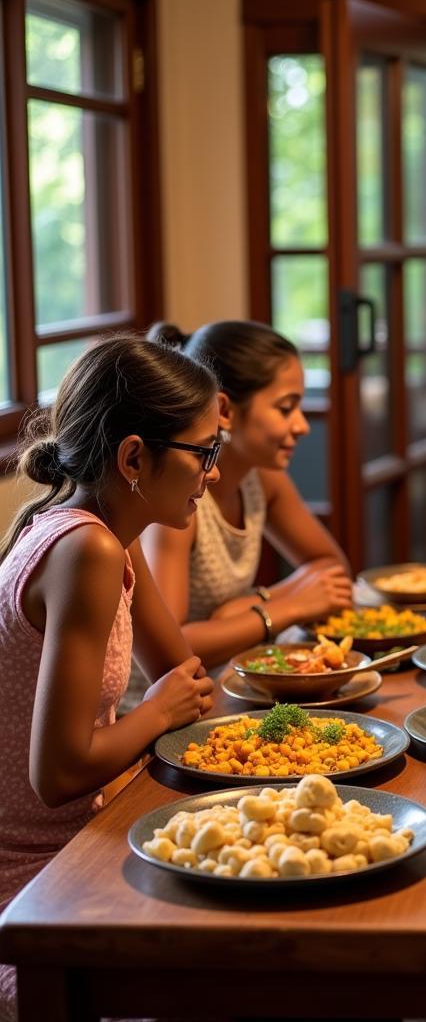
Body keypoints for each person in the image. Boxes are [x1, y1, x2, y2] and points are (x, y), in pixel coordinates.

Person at [0, 337, 218, 1014]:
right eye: (203, 452)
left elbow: (178, 666)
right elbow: (58, 773)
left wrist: (171, 696)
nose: (213, 472)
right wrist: (155, 712)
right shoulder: (85, 548)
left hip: (83, 833)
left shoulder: (101, 531)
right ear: (133, 458)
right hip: (35, 879)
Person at [140, 321, 353, 673]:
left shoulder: (263, 479)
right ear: (225, 412)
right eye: (286, 408)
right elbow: (172, 645)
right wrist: (290, 607)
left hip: (229, 683)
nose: (302, 426)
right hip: (157, 708)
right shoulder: (179, 501)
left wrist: (246, 606)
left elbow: (334, 572)